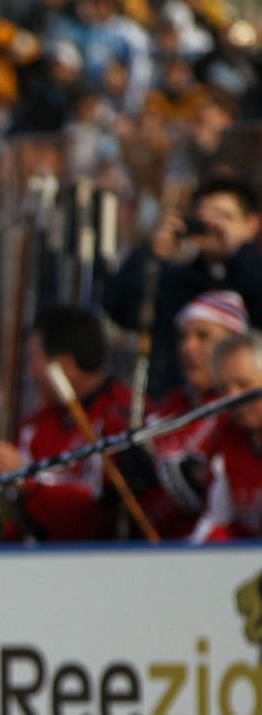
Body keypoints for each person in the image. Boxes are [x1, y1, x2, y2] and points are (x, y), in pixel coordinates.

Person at [0, 305, 156, 542]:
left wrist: (27, 481)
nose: (31, 371)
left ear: (65, 364)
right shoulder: (36, 424)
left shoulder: (126, 417)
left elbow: (94, 514)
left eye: (35, 359)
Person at [104, 174, 262, 403]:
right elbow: (120, 308)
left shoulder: (253, 273)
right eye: (205, 219)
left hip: (242, 408)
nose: (213, 227)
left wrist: (239, 252)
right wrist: (150, 253)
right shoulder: (177, 281)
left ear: (252, 224)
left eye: (225, 217)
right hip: (180, 406)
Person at [144, 290, 251, 536]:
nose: (188, 348)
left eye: (203, 337)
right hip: (155, 548)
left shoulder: (243, 412)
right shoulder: (169, 407)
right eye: (184, 337)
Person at [191, 330, 262, 542]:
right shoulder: (227, 439)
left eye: (244, 384)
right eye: (224, 389)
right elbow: (216, 525)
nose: (233, 398)